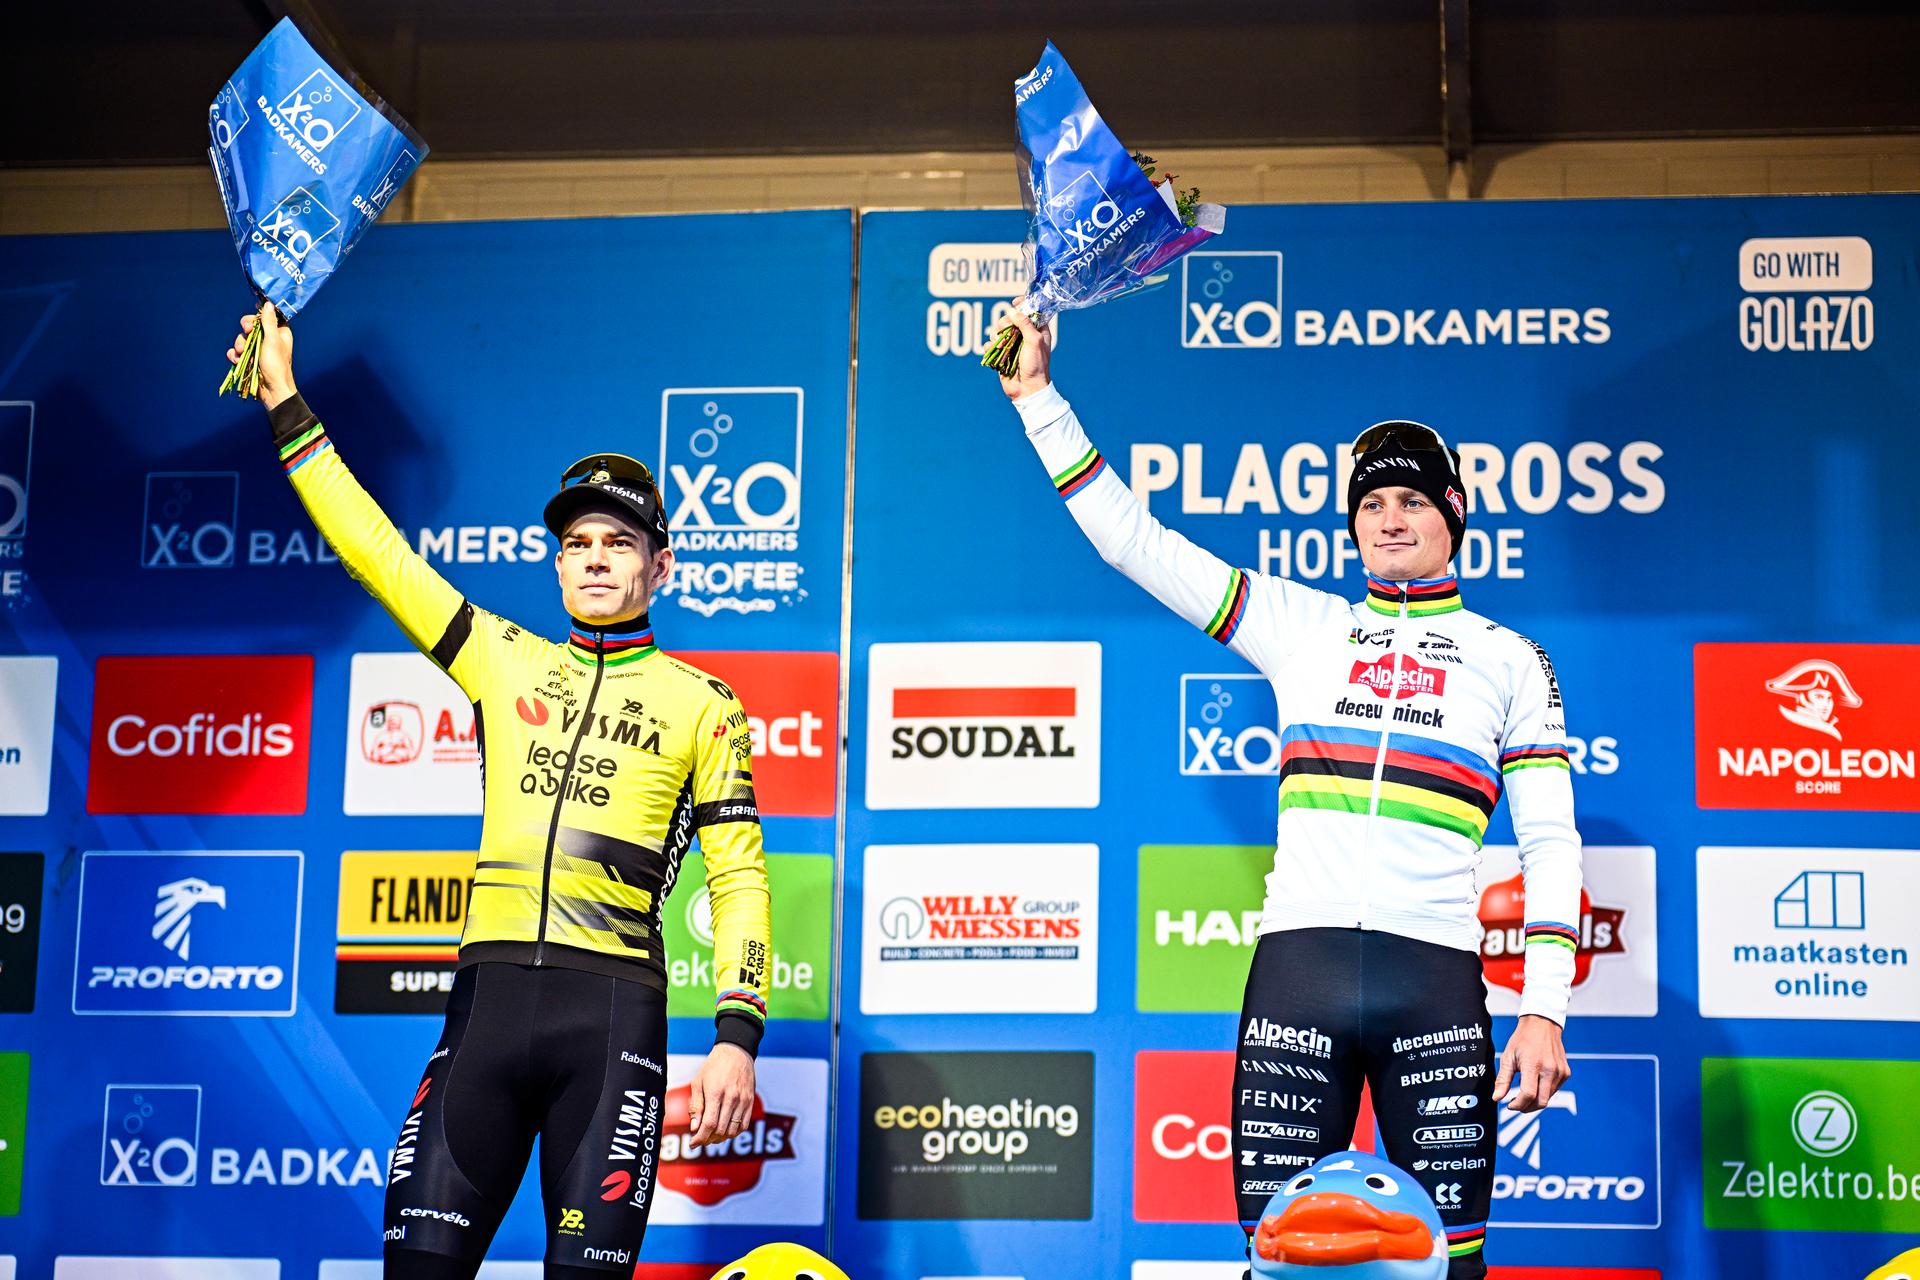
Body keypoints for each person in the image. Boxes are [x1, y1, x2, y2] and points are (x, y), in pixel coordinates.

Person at [994, 309, 1579, 1279]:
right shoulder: (1299, 624)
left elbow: (1552, 842)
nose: (1390, 517)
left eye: (1411, 498)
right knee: (1284, 1261)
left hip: (1434, 978)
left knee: (1456, 1269)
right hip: (1297, 971)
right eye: (1371, 501)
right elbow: (1133, 542)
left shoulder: (1510, 657)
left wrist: (1546, 1005)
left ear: (1455, 510)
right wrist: (1037, 399)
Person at [226, 310, 771, 1280]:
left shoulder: (704, 704)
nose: (597, 555)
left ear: (663, 565)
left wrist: (736, 1036)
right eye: (579, 542)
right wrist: (285, 403)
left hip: (612, 1028)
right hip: (483, 1013)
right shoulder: (498, 654)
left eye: (621, 539)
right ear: (558, 562)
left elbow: (737, 878)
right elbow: (378, 554)